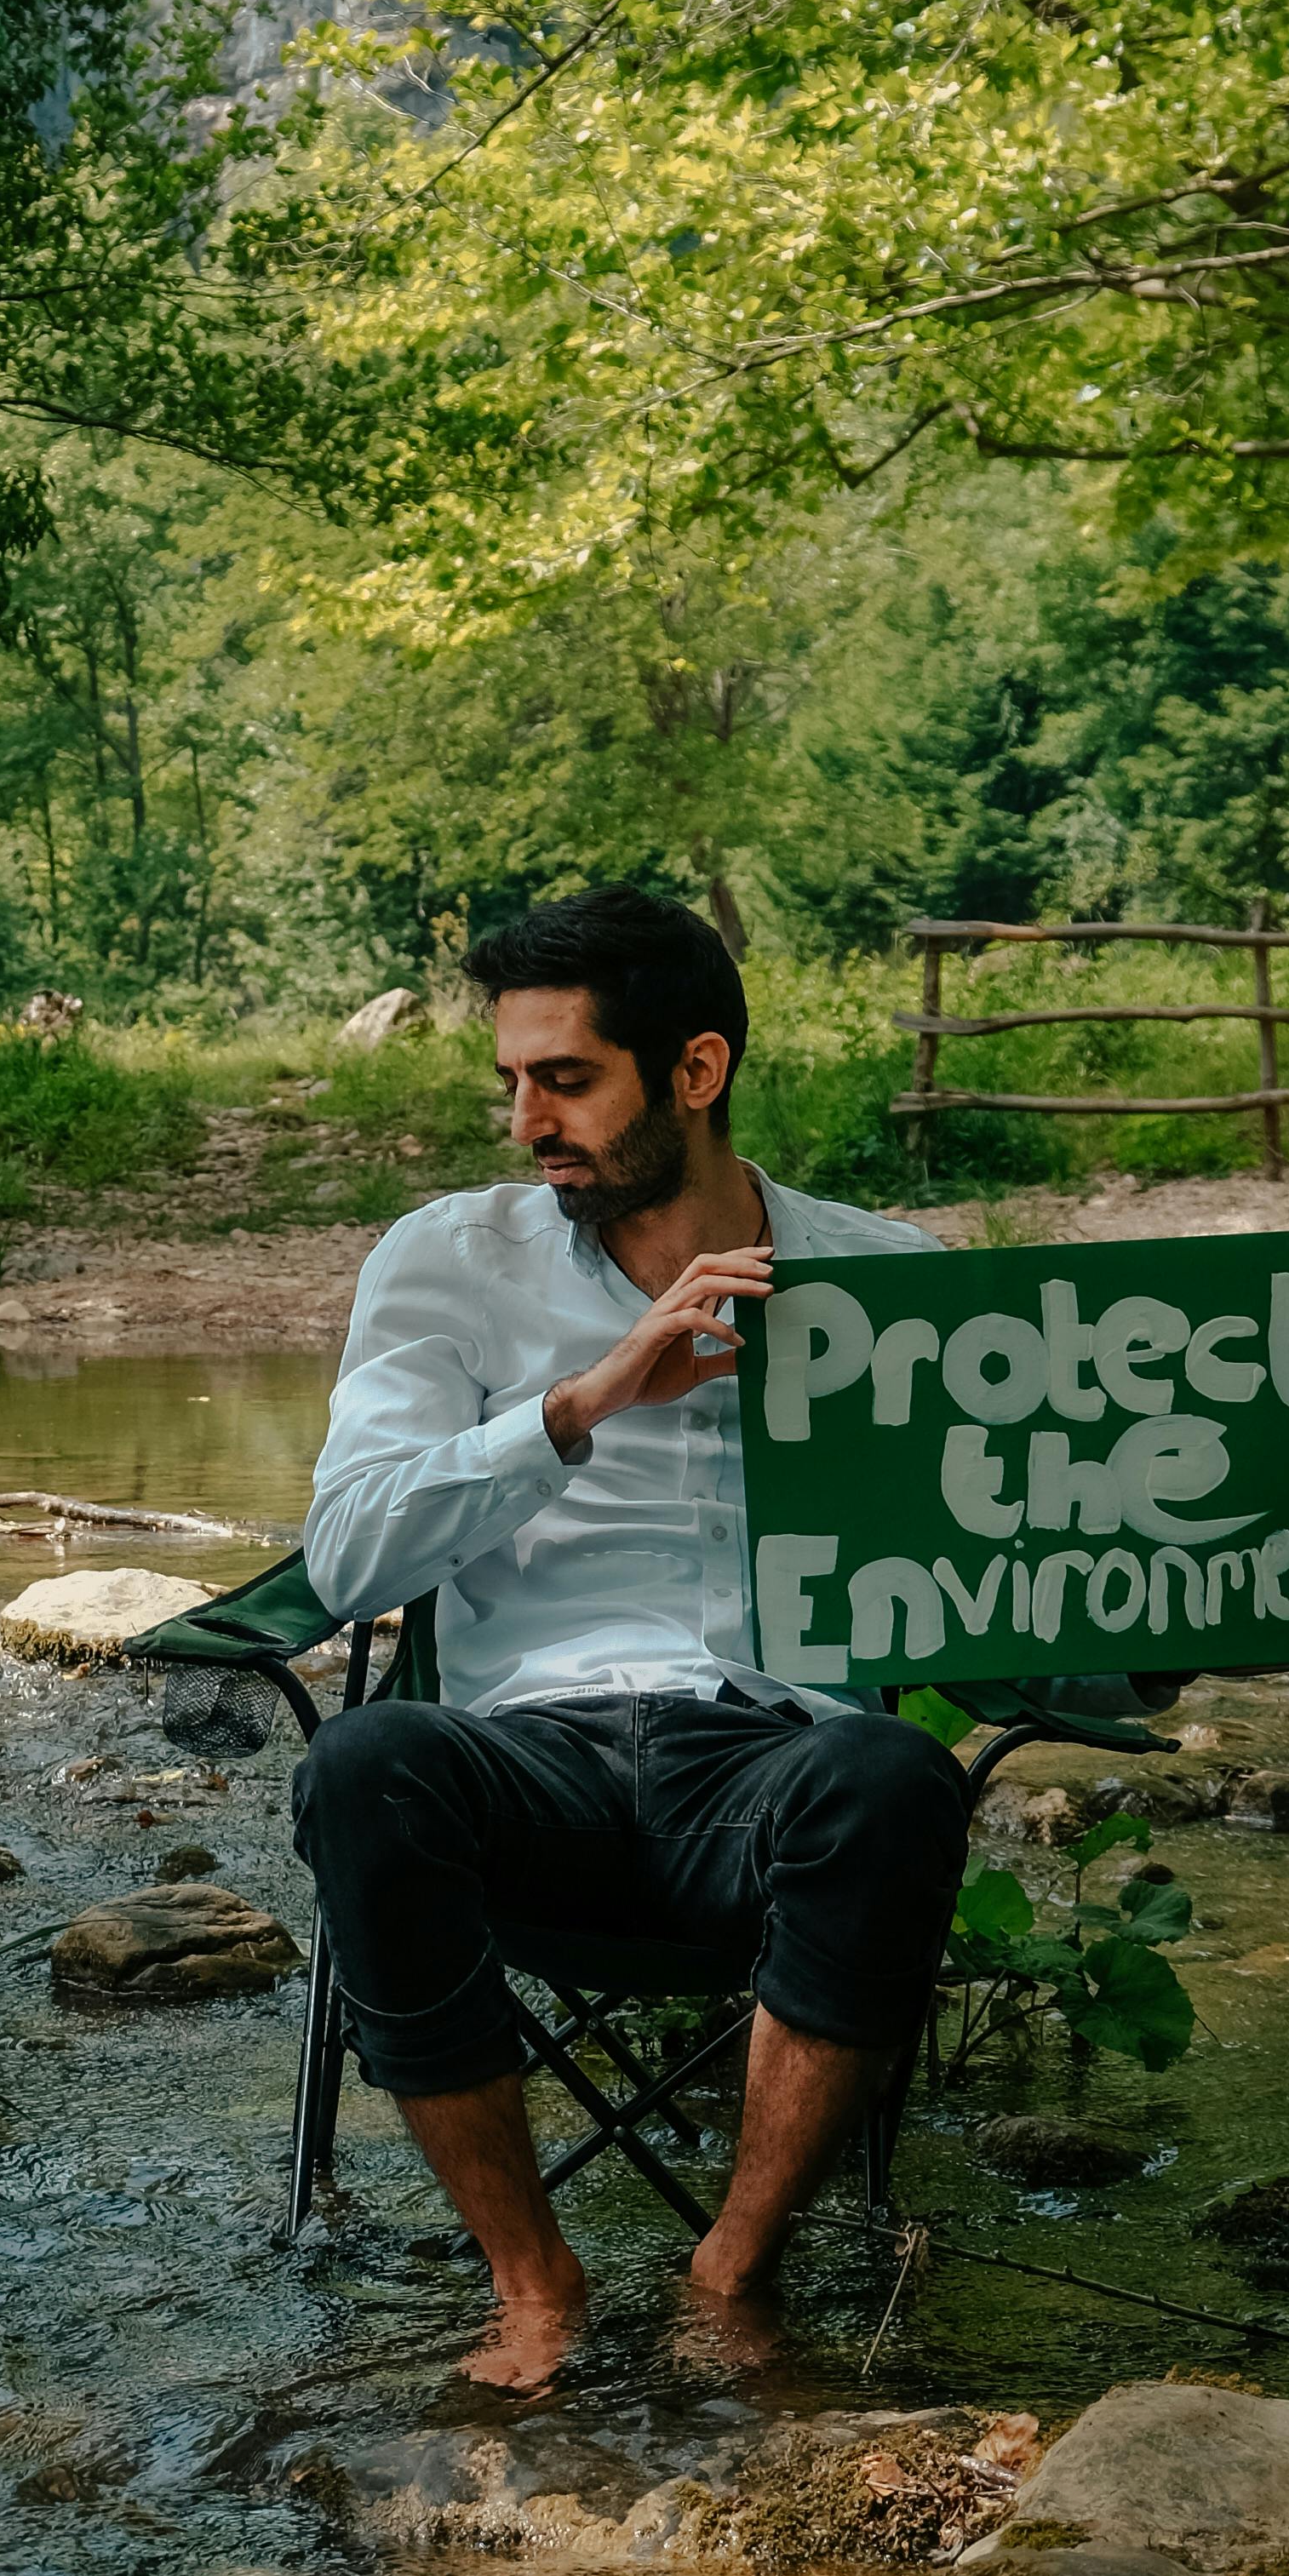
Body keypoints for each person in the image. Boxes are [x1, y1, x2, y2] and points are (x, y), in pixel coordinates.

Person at [290, 884, 994, 2390]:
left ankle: (732, 2274)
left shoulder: (894, 1276)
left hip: (773, 1771)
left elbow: (1004, 1597)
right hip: (525, 1765)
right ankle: (533, 2284)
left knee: (893, 1773)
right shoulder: (446, 1260)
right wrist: (582, 1403)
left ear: (696, 1070)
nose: (527, 1123)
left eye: (566, 1079)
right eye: (512, 1082)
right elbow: (346, 1560)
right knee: (363, 1764)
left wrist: (1236, 1616)